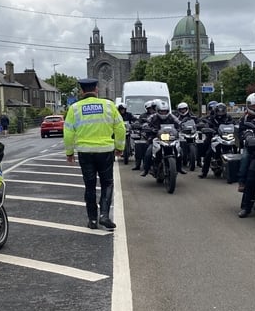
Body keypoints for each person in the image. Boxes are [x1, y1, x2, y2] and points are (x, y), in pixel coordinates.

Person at [64, 78, 126, 229]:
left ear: (81, 91)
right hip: (105, 152)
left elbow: (68, 132)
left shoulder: (75, 108)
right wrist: (119, 147)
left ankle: (92, 220)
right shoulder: (109, 105)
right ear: (96, 90)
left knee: (89, 185)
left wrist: (69, 153)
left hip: (85, 152)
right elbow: (120, 128)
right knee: (107, 183)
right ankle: (104, 215)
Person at [140, 100, 186, 176]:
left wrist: (182, 127)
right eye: (161, 111)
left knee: (179, 151)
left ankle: (179, 167)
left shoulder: (171, 116)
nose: (163, 113)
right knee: (148, 151)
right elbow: (146, 123)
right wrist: (147, 127)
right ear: (157, 110)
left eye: (165, 111)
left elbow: (179, 123)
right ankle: (146, 169)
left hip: (170, 137)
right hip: (155, 137)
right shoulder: (153, 117)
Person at [236, 92, 255, 192]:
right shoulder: (244, 119)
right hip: (251, 145)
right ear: (249, 106)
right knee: (245, 157)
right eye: (253, 106)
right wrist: (246, 137)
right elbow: (240, 132)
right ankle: (242, 181)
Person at [197, 102, 235, 179]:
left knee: (237, 147)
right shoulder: (212, 118)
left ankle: (236, 171)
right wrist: (209, 128)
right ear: (215, 111)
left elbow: (234, 123)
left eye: (222, 110)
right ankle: (204, 172)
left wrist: (236, 126)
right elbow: (207, 124)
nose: (220, 112)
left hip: (227, 136)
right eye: (219, 111)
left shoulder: (228, 117)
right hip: (215, 136)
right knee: (208, 153)